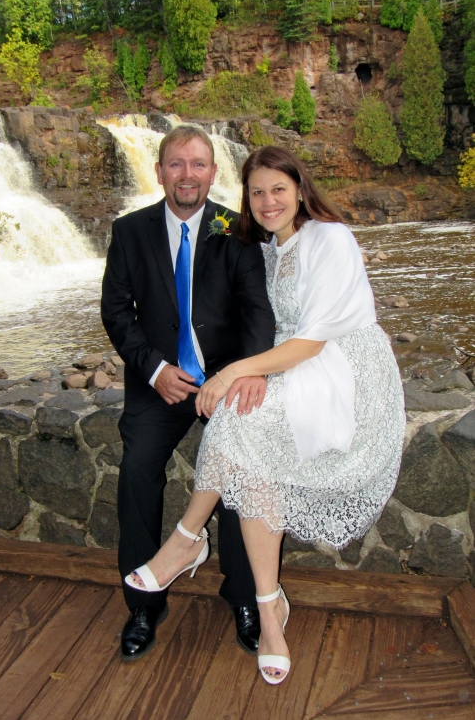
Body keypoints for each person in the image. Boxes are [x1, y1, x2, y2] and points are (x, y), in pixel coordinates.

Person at [125, 146, 406, 684]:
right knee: (248, 441)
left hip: (344, 369)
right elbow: (265, 326)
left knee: (235, 416)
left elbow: (311, 339)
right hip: (296, 365)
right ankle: (268, 606)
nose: (267, 200)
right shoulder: (268, 249)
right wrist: (250, 373)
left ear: (300, 188)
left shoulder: (331, 237)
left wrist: (233, 373)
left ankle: (187, 538)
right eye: (256, 192)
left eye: (278, 188)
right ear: (246, 201)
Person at [101, 126, 276, 661]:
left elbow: (257, 312)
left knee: (243, 466)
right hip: (160, 386)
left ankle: (245, 598)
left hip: (224, 381)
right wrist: (154, 370)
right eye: (176, 164)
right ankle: (143, 605)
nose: (187, 175)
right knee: (138, 472)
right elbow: (115, 311)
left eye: (197, 164)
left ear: (213, 171)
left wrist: (242, 375)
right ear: (159, 172)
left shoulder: (238, 229)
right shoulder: (129, 231)